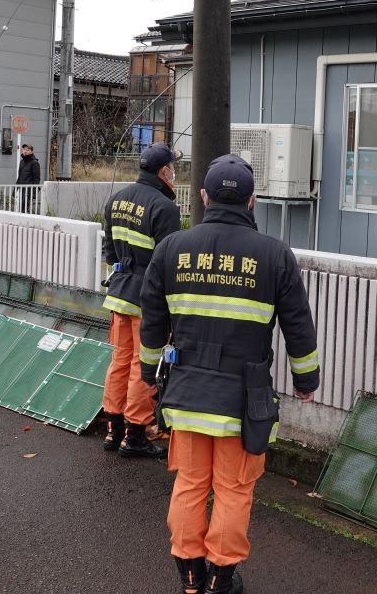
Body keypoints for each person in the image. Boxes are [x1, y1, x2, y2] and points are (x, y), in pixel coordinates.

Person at [139, 154, 319, 594]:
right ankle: (221, 578)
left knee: (189, 484)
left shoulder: (172, 248)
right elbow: (298, 325)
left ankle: (189, 575)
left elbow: (151, 318)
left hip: (186, 392)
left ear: (203, 196)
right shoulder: (275, 255)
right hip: (244, 400)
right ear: (253, 200)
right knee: (234, 489)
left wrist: (148, 371)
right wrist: (306, 381)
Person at [99, 141, 181, 457]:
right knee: (141, 363)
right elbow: (168, 263)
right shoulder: (164, 208)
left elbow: (109, 251)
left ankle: (113, 428)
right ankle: (135, 434)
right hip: (147, 300)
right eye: (173, 167)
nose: (174, 172)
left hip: (119, 292)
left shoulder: (116, 200)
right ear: (164, 171)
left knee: (120, 361)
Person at [16, 144, 41, 213]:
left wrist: (33, 193)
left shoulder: (35, 163)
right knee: (21, 208)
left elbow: (37, 179)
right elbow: (20, 176)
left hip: (29, 190)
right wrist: (15, 189)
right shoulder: (22, 162)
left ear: (32, 152)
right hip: (22, 189)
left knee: (24, 208)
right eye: (24, 149)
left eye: (28, 150)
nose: (25, 151)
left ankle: (24, 222)